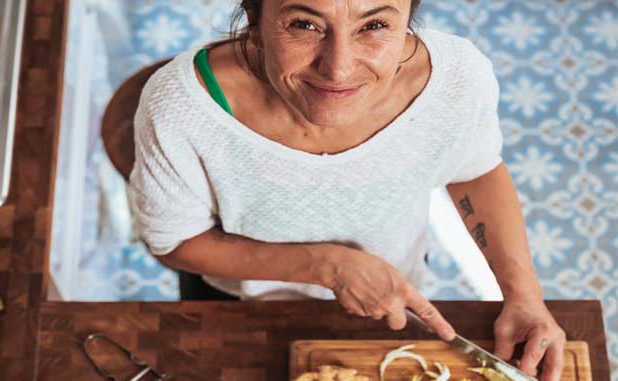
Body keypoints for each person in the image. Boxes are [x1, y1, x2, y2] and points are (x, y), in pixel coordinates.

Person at [129, 1, 566, 380]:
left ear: (407, 23)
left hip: (393, 290)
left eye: (374, 26)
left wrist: (524, 296)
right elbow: (174, 241)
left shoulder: (457, 80)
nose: (339, 68)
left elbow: (474, 170)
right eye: (304, 24)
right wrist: (330, 266)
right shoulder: (179, 107)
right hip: (237, 302)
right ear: (255, 22)